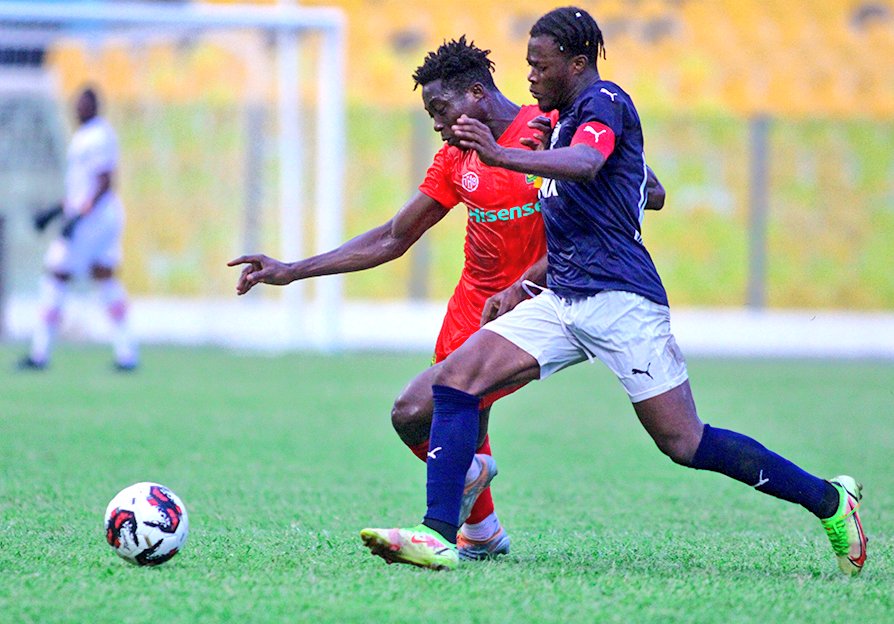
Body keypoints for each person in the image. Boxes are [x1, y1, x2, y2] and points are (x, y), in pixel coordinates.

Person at [359, 7, 867, 576]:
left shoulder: (605, 102)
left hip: (621, 299)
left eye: (539, 65)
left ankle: (829, 500)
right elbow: (609, 190)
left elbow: (591, 162)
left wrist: (505, 155)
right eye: (528, 64)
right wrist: (527, 277)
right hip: (561, 298)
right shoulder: (556, 122)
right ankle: (438, 534)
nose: (529, 76)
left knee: (684, 442)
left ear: (576, 63)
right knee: (455, 379)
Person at [230, 36, 667, 561]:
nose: (436, 123)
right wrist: (293, 270)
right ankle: (482, 533)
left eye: (440, 109)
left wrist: (547, 239)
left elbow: (647, 189)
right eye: (430, 114)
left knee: (426, 408)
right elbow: (393, 237)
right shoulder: (456, 158)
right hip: (471, 307)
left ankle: (457, 511)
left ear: (477, 94)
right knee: (437, 420)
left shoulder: (550, 125)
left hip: (532, 305)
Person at [19, 86, 138, 371]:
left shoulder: (96, 136)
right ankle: (127, 354)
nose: (77, 109)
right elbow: (81, 189)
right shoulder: (88, 135)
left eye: (82, 104)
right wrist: (54, 212)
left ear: (94, 106)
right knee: (104, 276)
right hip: (99, 219)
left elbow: (104, 182)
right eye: (76, 104)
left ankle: (39, 353)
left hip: (92, 222)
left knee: (55, 274)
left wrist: (77, 218)